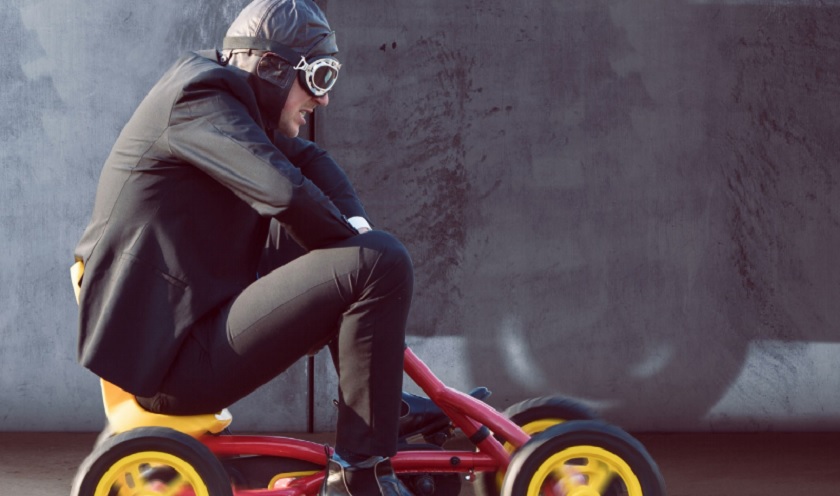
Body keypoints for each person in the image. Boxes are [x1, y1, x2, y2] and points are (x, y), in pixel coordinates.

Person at [72, 0, 416, 494]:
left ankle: (386, 407)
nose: (323, 100)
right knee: (377, 263)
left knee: (364, 255)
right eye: (318, 77)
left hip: (187, 331)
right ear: (273, 67)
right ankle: (360, 474)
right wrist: (362, 252)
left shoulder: (230, 105)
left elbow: (311, 160)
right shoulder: (199, 95)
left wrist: (356, 231)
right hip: (173, 363)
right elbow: (283, 191)